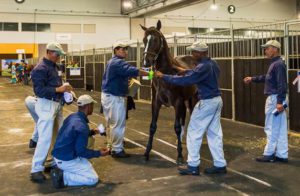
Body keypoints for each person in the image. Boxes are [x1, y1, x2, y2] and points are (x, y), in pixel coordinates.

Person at [155, 41, 227, 175]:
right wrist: (184, 70)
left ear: (201, 53)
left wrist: (163, 76)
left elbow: (185, 81)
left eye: (194, 52)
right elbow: (197, 73)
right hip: (217, 100)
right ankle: (220, 164)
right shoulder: (213, 64)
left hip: (206, 102)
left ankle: (193, 165)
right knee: (214, 134)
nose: (192, 55)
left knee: (193, 133)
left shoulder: (202, 67)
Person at [30, 42, 72, 183]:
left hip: (56, 104)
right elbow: (39, 91)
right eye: (56, 54)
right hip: (46, 104)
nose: (58, 57)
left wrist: (66, 92)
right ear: (48, 52)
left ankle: (52, 162)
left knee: (58, 135)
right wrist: (58, 90)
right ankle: (36, 169)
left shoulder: (55, 67)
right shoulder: (39, 69)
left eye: (59, 54)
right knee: (45, 138)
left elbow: (57, 85)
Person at [101, 41, 149, 158]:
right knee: (118, 124)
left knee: (110, 123)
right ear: (116, 50)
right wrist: (152, 74)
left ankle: (111, 145)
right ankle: (117, 150)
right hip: (114, 98)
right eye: (122, 49)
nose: (125, 51)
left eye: (126, 49)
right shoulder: (118, 63)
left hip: (108, 96)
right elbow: (134, 71)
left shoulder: (111, 62)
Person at [51, 95, 110, 188]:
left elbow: (74, 134)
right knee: (93, 179)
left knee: (88, 166)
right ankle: (62, 177)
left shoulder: (72, 117)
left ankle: (61, 168)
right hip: (66, 159)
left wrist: (93, 132)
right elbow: (81, 151)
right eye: (92, 105)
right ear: (88, 106)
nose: (93, 108)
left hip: (60, 154)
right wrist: (99, 153)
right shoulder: (82, 126)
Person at [244, 40, 288, 163]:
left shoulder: (277, 64)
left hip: (275, 98)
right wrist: (253, 78)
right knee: (280, 127)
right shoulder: (276, 64)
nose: (265, 51)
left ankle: (269, 153)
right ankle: (282, 154)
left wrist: (279, 101)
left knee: (270, 126)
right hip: (278, 98)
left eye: (267, 48)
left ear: (274, 49)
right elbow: (268, 78)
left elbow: (282, 84)